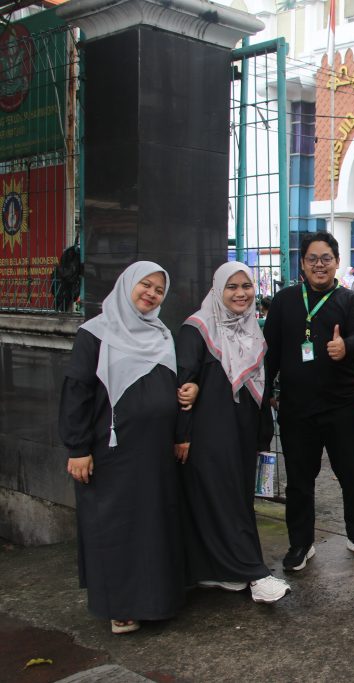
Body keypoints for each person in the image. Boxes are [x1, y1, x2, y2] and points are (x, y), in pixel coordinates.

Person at [60, 262, 194, 634]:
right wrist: (77, 448)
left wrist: (180, 433)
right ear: (127, 285)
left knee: (153, 523)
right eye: (145, 285)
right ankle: (120, 607)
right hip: (111, 454)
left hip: (155, 453)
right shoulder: (96, 334)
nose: (151, 294)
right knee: (116, 526)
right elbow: (77, 392)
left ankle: (157, 601)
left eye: (159, 290)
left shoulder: (162, 335)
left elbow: (174, 389)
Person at [264, 231, 354, 571]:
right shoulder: (284, 301)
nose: (319, 265)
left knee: (353, 475)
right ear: (302, 263)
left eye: (326, 259)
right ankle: (300, 543)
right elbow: (270, 350)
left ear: (337, 262)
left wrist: (347, 347)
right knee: (299, 480)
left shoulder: (351, 301)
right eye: (312, 259)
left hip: (343, 405)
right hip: (297, 408)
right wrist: (268, 391)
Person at [175, 262, 290, 604]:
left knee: (235, 499)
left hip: (243, 430)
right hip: (209, 431)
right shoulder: (197, 329)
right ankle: (256, 574)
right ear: (217, 290)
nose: (241, 294)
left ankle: (220, 571)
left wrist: (262, 434)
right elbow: (183, 384)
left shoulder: (252, 328)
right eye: (232, 287)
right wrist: (182, 435)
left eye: (246, 286)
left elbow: (261, 387)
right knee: (226, 501)